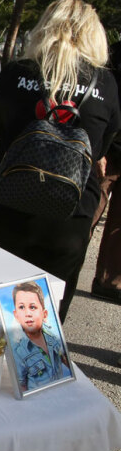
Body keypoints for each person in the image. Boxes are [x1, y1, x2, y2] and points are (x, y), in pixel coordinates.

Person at [0, 0, 121, 322]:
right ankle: (35, 370)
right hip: (70, 207)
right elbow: (104, 141)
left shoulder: (17, 72)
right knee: (44, 315)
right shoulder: (105, 83)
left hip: (8, 198)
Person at [91, 40, 121, 305]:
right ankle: (64, 272)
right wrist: (99, 149)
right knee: (89, 210)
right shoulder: (114, 54)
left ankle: (108, 283)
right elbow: (102, 101)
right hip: (109, 150)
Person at [9, 281, 70, 392]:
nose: (28, 313)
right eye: (22, 307)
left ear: (44, 314)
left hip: (60, 391)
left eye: (32, 307)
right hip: (38, 399)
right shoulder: (19, 351)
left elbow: (65, 361)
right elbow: (21, 385)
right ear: (16, 315)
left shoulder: (54, 339)